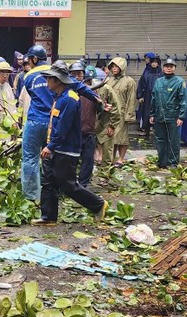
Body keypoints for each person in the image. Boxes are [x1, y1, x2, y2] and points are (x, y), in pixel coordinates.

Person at [19, 48, 101, 201]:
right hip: (53, 123)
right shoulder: (58, 74)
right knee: (51, 159)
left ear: (34, 59)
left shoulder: (29, 76)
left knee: (30, 158)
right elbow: (79, 86)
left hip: (35, 121)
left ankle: (31, 197)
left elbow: (29, 96)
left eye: (29, 59)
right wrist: (96, 98)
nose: (27, 63)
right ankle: (51, 194)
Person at [33, 63, 109, 225]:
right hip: (56, 147)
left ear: (58, 81)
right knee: (48, 182)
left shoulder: (69, 100)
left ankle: (98, 204)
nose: (46, 82)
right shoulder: (60, 97)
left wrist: (50, 146)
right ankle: (48, 216)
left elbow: (63, 128)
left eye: (49, 79)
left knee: (68, 185)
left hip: (65, 150)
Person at [76, 64, 120, 184]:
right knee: (79, 158)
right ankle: (79, 181)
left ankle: (103, 177)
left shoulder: (104, 89)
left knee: (102, 154)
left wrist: (112, 125)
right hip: (82, 129)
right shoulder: (75, 90)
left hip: (101, 126)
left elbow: (115, 108)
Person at [150, 58, 187, 168]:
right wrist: (152, 114)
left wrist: (181, 116)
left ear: (175, 68)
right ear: (163, 67)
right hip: (159, 116)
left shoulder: (179, 82)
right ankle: (162, 161)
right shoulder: (158, 81)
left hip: (173, 116)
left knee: (174, 141)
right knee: (160, 140)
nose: (169, 68)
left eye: (171, 66)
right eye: (167, 66)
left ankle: (173, 163)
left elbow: (184, 100)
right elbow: (153, 98)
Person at [102, 57, 137, 166]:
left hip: (122, 113)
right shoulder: (108, 80)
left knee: (122, 137)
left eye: (116, 66)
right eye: (112, 66)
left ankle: (121, 158)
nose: (114, 68)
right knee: (110, 136)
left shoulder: (129, 81)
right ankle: (111, 158)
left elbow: (131, 99)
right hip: (110, 113)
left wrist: (129, 115)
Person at [137, 54, 162, 138]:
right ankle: (146, 130)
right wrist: (140, 96)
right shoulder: (146, 73)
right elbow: (141, 84)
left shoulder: (161, 74)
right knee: (146, 113)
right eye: (152, 62)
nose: (154, 64)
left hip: (159, 97)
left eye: (156, 62)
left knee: (158, 113)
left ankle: (157, 131)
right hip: (147, 97)